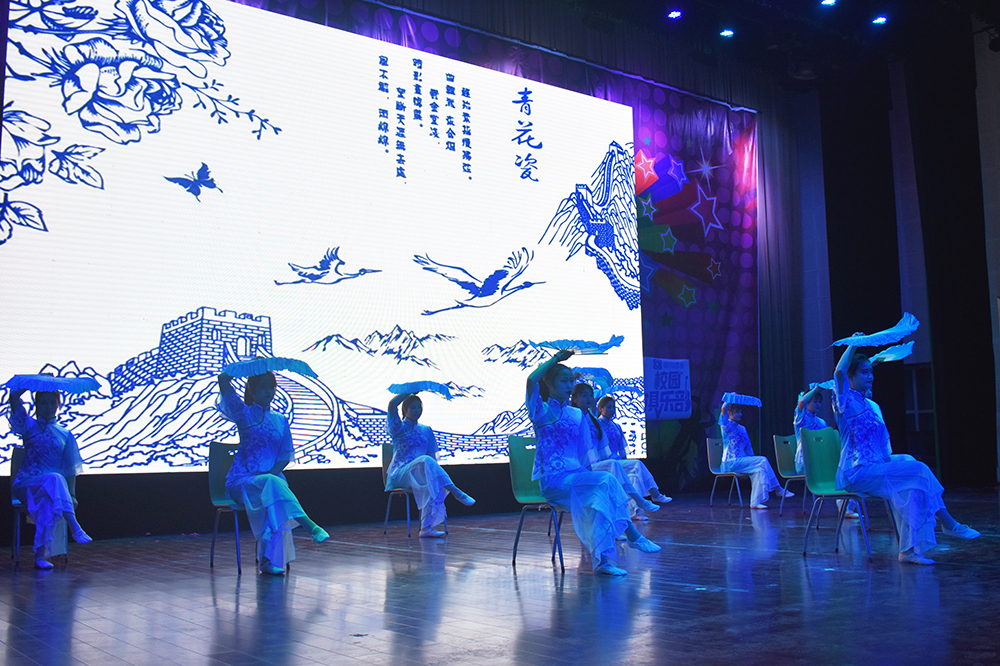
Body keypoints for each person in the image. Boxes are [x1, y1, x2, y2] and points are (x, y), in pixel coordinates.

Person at [833, 345, 979, 564]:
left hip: (874, 466)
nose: (870, 376)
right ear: (850, 379)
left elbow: (882, 445)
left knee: (911, 481)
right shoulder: (843, 403)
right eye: (864, 372)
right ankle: (949, 523)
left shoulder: (871, 405)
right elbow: (839, 371)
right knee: (918, 469)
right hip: (856, 472)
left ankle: (908, 550)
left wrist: (888, 463)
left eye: (871, 372)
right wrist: (853, 345)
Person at [527, 351, 660, 576]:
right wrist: (555, 360)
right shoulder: (541, 411)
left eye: (571, 381)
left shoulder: (576, 415)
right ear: (549, 384)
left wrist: (589, 477)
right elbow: (531, 380)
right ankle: (632, 535)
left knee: (600, 495)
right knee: (605, 480)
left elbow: (584, 456)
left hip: (575, 476)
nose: (569, 386)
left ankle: (603, 562)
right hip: (554, 481)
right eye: (563, 381)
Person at [217, 371, 329, 575]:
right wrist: (245, 368)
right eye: (263, 387)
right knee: (273, 486)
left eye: (272, 386)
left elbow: (285, 455)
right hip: (243, 482)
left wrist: (271, 473)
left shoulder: (280, 420)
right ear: (252, 389)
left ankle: (268, 560)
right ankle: (309, 525)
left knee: (273, 488)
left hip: (270, 480)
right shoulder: (244, 414)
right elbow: (223, 381)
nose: (268, 391)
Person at [7, 388, 91, 568]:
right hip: (27, 483)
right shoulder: (29, 426)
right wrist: (30, 384)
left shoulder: (64, 434)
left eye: (52, 402)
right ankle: (74, 525)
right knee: (54, 478)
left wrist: (72, 495)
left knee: (49, 496)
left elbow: (69, 468)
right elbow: (14, 400)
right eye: (43, 402)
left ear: (58, 405)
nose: (48, 407)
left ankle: (40, 556)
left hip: (52, 487)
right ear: (36, 404)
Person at [569, 386, 668, 522]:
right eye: (584, 396)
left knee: (634, 469)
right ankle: (637, 502)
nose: (589, 399)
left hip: (600, 461)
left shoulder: (594, 421)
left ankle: (643, 502)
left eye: (590, 396)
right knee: (613, 466)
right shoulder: (575, 417)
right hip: (584, 465)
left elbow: (605, 447)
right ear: (574, 399)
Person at [385, 392, 475, 538]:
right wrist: (409, 390)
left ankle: (425, 529)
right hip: (400, 474)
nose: (417, 410)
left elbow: (433, 457)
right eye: (413, 407)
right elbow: (392, 405)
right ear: (405, 410)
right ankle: (454, 490)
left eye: (419, 407)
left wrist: (433, 475)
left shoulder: (426, 430)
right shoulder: (399, 428)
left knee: (430, 480)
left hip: (420, 472)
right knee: (425, 460)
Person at [720, 400, 791, 510]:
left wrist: (751, 463)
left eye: (740, 411)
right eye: (737, 412)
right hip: (730, 462)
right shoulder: (727, 426)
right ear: (730, 413)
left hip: (742, 461)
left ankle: (755, 502)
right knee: (763, 460)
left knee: (759, 470)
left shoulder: (742, 428)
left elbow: (749, 449)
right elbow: (723, 409)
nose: (740, 414)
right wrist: (729, 400)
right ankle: (778, 489)